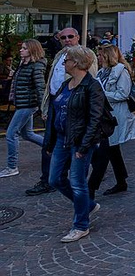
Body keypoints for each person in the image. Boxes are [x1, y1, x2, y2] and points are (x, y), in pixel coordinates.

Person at [44, 46, 106, 243]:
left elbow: (94, 120)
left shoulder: (92, 86)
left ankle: (81, 225)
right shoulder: (65, 84)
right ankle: (86, 205)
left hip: (80, 140)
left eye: (67, 60)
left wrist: (84, 147)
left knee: (78, 183)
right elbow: (55, 113)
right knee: (54, 179)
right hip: (62, 138)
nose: (64, 64)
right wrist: (49, 141)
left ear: (77, 63)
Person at [27, 28, 97, 197]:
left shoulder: (86, 54)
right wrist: (45, 106)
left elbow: (91, 80)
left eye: (70, 37)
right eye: (63, 37)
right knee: (49, 143)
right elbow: (51, 80)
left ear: (78, 37)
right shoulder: (59, 56)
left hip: (73, 106)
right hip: (55, 103)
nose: (67, 40)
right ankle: (49, 179)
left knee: (75, 145)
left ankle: (78, 183)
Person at [88, 45, 135, 198]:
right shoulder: (102, 71)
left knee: (106, 150)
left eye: (100, 55)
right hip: (106, 114)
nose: (98, 57)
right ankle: (121, 180)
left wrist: (103, 95)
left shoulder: (120, 71)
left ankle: (91, 187)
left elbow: (123, 93)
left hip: (116, 115)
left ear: (107, 56)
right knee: (112, 149)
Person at [0, 39, 47, 178]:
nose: (21, 50)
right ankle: (55, 150)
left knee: (11, 134)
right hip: (22, 103)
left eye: (24, 48)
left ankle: (12, 166)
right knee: (27, 134)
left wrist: (43, 108)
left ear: (32, 50)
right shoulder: (23, 64)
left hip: (28, 104)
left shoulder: (36, 66)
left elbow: (40, 87)